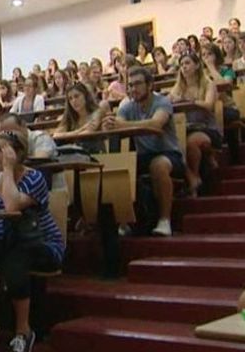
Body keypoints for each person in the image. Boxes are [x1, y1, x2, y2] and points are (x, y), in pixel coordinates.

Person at [0, 131, 64, 352]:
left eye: (2, 150)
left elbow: (11, 206)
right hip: (5, 244)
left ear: (17, 153)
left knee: (14, 261)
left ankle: (23, 331)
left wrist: (8, 169)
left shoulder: (34, 177)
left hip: (42, 245)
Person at [103, 67, 184, 236]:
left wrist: (122, 125)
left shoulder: (162, 102)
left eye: (138, 84)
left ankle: (164, 221)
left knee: (158, 165)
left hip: (169, 154)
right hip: (143, 156)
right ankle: (125, 220)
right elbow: (118, 124)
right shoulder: (127, 107)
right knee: (117, 167)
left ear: (150, 85)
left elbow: (156, 124)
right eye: (130, 85)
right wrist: (109, 123)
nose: (133, 89)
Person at [168, 52, 221, 197]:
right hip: (185, 128)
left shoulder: (208, 83)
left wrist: (189, 101)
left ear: (197, 65)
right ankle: (192, 178)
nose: (184, 67)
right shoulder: (178, 87)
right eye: (181, 65)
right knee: (173, 145)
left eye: (187, 63)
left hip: (207, 127)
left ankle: (194, 180)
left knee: (191, 142)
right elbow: (167, 103)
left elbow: (209, 105)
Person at [54, 82, 105, 154]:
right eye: (70, 99)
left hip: (95, 152)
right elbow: (56, 135)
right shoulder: (69, 117)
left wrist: (69, 134)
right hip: (75, 155)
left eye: (76, 96)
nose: (74, 101)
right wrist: (79, 130)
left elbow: (88, 132)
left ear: (85, 96)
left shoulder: (97, 112)